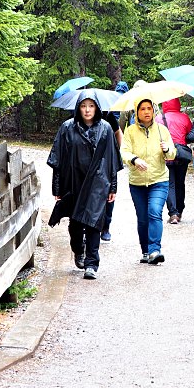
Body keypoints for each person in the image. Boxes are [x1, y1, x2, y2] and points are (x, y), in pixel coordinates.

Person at [47, 90, 121, 280]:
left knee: (95, 222)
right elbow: (58, 159)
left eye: (91, 106)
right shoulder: (67, 128)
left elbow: (112, 160)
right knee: (76, 224)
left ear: (96, 108)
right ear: (78, 107)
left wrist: (113, 187)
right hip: (74, 181)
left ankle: (91, 264)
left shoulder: (105, 128)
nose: (87, 110)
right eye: (83, 106)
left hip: (98, 182)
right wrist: (57, 188)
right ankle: (78, 250)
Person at [121, 98, 177, 264]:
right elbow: (123, 152)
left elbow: (172, 153)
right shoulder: (130, 131)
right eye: (142, 109)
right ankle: (145, 251)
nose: (146, 112)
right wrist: (134, 159)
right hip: (137, 182)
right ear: (137, 112)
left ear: (153, 111)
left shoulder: (162, 130)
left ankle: (155, 250)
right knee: (143, 218)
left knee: (154, 211)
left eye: (149, 108)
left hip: (159, 179)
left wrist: (167, 149)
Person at [100, 80, 131, 242]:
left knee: (109, 193)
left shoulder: (109, 116)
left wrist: (122, 152)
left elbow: (119, 133)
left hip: (109, 159)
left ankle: (106, 227)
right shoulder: (81, 118)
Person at [158, 98, 192, 224]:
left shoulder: (159, 118)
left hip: (166, 154)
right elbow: (189, 134)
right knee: (180, 183)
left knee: (170, 184)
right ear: (178, 104)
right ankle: (180, 210)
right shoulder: (184, 117)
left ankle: (173, 214)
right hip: (181, 155)